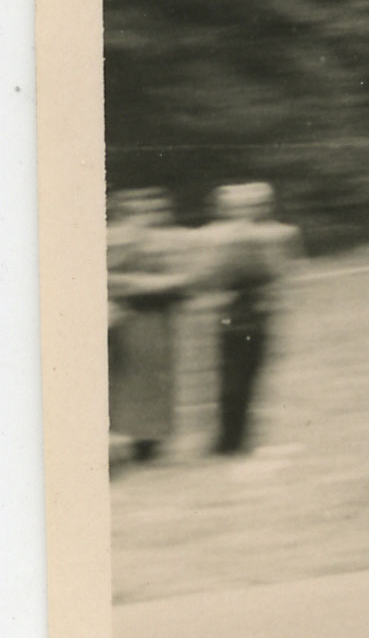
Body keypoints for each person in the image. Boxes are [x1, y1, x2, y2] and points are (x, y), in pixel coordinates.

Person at [198, 182, 300, 455]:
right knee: (229, 378)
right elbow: (206, 274)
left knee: (251, 374)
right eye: (240, 206)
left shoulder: (276, 234)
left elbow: (283, 273)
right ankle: (227, 440)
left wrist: (279, 303)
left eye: (254, 204)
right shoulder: (214, 236)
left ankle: (239, 437)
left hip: (257, 313)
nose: (249, 210)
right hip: (227, 314)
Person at [106, 187, 190, 462]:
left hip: (157, 316)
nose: (152, 216)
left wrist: (172, 284)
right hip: (127, 316)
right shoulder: (115, 240)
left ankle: (150, 441)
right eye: (143, 211)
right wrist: (152, 284)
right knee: (129, 377)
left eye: (157, 210)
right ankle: (130, 438)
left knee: (155, 378)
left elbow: (183, 277)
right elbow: (107, 277)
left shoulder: (162, 242)